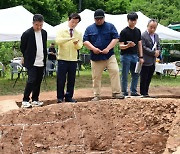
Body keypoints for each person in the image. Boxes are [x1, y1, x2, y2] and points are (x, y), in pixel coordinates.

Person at [83, 9, 124, 101]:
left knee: (115, 71)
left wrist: (108, 48)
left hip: (109, 55)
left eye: (100, 19)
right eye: (97, 19)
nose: (99, 20)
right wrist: (93, 49)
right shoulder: (89, 28)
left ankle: (116, 92)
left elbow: (116, 38)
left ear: (104, 18)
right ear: (94, 19)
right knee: (96, 76)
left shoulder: (110, 26)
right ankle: (97, 95)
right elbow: (85, 41)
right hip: (96, 57)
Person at [20, 14, 47, 108]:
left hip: (41, 61)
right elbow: (22, 47)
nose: (39, 27)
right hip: (31, 61)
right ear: (33, 23)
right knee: (31, 80)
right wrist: (26, 57)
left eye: (41, 25)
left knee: (38, 81)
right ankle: (25, 100)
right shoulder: (27, 33)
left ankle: (35, 99)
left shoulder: (44, 33)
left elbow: (43, 46)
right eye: (36, 25)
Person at [56, 13, 83, 103]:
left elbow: (80, 46)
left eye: (76, 23)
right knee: (61, 79)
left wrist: (76, 43)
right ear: (68, 20)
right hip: (62, 59)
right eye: (72, 22)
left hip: (73, 60)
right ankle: (60, 97)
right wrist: (68, 39)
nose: (74, 24)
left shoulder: (78, 33)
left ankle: (69, 96)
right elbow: (58, 41)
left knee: (71, 79)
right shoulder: (61, 30)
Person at [119, 12, 144, 97]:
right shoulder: (124, 31)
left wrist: (141, 56)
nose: (133, 22)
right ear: (128, 20)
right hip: (125, 55)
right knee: (124, 74)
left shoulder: (138, 31)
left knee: (136, 74)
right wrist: (127, 45)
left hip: (135, 55)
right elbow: (121, 46)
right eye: (131, 20)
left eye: (134, 20)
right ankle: (124, 91)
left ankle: (133, 91)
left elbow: (140, 44)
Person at [140, 19, 160, 97]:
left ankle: (146, 92)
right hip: (146, 59)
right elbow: (143, 47)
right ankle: (143, 93)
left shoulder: (156, 36)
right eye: (151, 27)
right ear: (147, 26)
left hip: (153, 60)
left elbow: (158, 45)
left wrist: (158, 52)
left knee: (149, 77)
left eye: (154, 27)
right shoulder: (143, 35)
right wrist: (153, 53)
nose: (152, 29)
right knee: (144, 77)